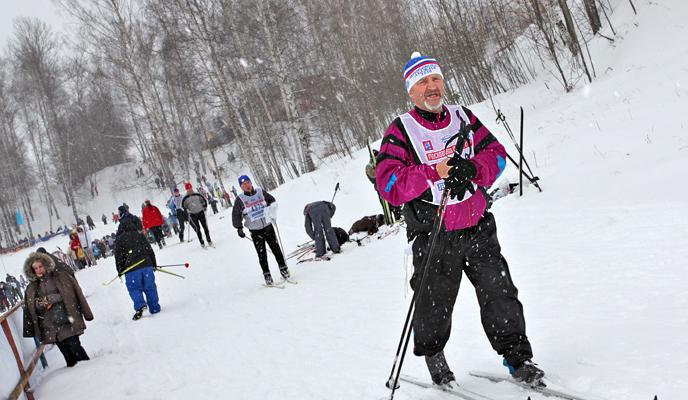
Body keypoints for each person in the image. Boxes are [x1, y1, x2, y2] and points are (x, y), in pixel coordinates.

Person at [375, 52, 544, 386]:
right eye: (423, 82)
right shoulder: (402, 130)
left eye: (435, 79)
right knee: (434, 302)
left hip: (478, 224)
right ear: (412, 91)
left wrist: (474, 169)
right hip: (434, 230)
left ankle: (518, 358)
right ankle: (434, 355)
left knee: (500, 293)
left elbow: (495, 154)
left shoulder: (462, 116)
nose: (432, 87)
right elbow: (389, 184)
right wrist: (432, 172)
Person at [22, 252, 93, 367]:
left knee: (76, 349)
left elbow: (70, 294)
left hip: (66, 320)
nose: (39, 270)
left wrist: (50, 298)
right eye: (35, 268)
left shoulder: (60, 277)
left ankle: (93, 372)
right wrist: (42, 303)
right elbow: (31, 305)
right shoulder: (32, 287)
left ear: (45, 265)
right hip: (50, 326)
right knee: (68, 357)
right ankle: (77, 379)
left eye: (40, 266)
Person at [232, 175, 290, 286]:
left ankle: (284, 270)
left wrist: (272, 210)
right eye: (243, 184)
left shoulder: (260, 192)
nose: (247, 185)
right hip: (255, 231)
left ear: (251, 183)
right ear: (241, 187)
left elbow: (272, 200)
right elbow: (236, 214)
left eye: (248, 182)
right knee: (262, 254)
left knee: (276, 249)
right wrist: (239, 228)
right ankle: (267, 276)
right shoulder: (240, 199)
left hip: (268, 226)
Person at [114, 210, 161, 320]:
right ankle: (154, 307)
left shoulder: (120, 239)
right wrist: (153, 264)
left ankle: (140, 306)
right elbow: (149, 250)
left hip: (131, 269)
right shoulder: (139, 235)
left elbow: (118, 257)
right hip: (146, 265)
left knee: (134, 289)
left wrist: (120, 270)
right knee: (150, 287)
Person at [181, 182, 213, 248]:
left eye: (190, 188)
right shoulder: (185, 198)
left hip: (201, 212)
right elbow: (183, 207)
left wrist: (205, 206)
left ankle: (209, 240)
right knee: (197, 229)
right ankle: (201, 242)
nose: (189, 189)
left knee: (205, 227)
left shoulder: (197, 194)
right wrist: (186, 210)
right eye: (188, 189)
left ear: (191, 187)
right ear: (186, 189)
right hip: (193, 214)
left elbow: (204, 200)